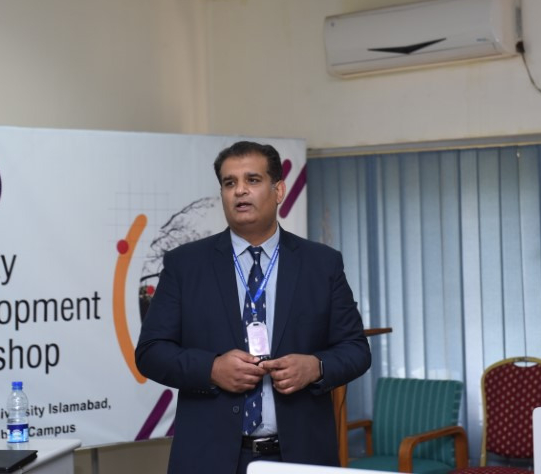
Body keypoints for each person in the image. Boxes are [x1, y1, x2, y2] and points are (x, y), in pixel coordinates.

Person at [135, 141, 371, 474]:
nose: (240, 191)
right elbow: (150, 352)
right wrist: (212, 369)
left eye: (253, 180)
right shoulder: (185, 265)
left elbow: (356, 349)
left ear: (279, 190)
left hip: (300, 456)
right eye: (229, 183)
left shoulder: (321, 264)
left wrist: (316, 367)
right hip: (209, 458)